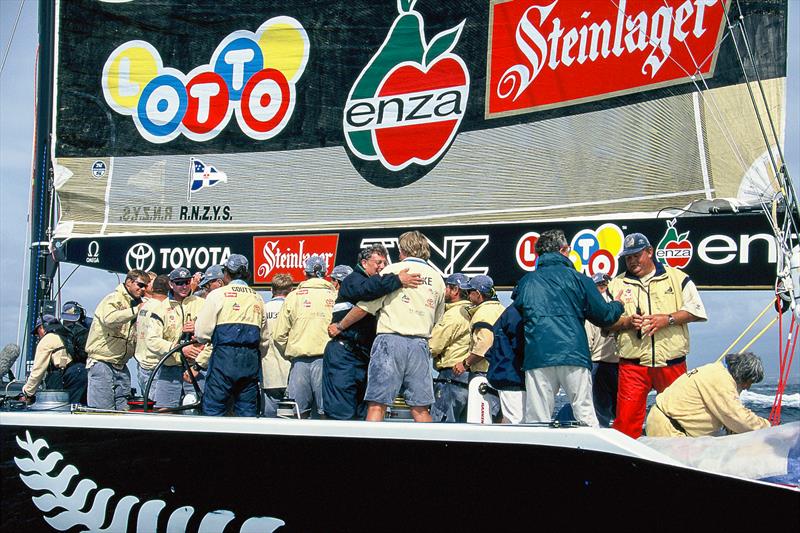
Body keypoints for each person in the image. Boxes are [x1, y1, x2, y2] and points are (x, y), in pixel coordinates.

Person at [514, 229, 623, 427]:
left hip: (538, 355)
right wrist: (618, 304)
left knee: (537, 420)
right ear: (564, 250)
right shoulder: (579, 279)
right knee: (585, 414)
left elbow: (519, 307)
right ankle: (591, 456)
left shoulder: (526, 282)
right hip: (573, 353)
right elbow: (604, 316)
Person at [337, 230, 445, 422]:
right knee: (420, 408)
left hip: (390, 341)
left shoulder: (392, 271)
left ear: (402, 250)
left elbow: (365, 308)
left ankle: (370, 448)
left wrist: (340, 325)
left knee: (377, 404)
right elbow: (438, 317)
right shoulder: (437, 278)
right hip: (420, 344)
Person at [608, 232, 708, 438]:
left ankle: (681, 461)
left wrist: (667, 319)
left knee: (681, 418)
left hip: (672, 363)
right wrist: (626, 322)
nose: (633, 261)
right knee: (625, 424)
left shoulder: (678, 278)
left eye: (637, 255)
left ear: (650, 252)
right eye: (628, 258)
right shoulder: (615, 284)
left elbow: (696, 311)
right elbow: (605, 323)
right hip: (632, 365)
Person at [324, 246, 422, 420]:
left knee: (363, 411)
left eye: (385, 262)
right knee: (341, 412)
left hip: (364, 356)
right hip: (344, 355)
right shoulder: (353, 280)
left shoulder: (379, 287)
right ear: (364, 263)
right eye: (378, 262)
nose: (382, 266)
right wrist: (397, 279)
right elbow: (367, 290)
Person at [194, 254, 267, 416]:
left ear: (226, 274)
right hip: (249, 362)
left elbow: (201, 333)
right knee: (247, 413)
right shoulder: (258, 298)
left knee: (214, 410)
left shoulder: (217, 295)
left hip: (223, 360)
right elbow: (265, 341)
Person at [645, 352, 771, 437]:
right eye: (748, 382)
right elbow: (738, 418)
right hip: (670, 430)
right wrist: (768, 427)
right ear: (743, 375)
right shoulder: (721, 381)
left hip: (664, 422)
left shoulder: (716, 370)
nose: (747, 387)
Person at [273, 255, 336, 418]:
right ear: (325, 272)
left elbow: (279, 335)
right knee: (326, 415)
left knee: (296, 415)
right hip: (327, 362)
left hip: (299, 361)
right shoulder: (335, 296)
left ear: (305, 273)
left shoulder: (293, 297)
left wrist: (289, 355)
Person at [556, 272, 619, 427]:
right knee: (619, 409)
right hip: (619, 364)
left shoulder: (593, 310)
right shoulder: (618, 307)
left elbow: (588, 341)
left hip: (597, 364)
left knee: (597, 409)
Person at [85, 269, 149, 410]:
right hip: (102, 362)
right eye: (140, 285)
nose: (143, 289)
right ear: (128, 282)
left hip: (121, 364)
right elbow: (109, 319)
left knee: (123, 409)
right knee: (102, 411)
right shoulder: (113, 298)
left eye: (146, 286)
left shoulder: (139, 302)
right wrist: (136, 311)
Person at [150, 267, 205, 409]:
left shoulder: (202, 304)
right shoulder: (160, 309)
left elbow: (214, 332)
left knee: (200, 411)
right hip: (169, 367)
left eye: (187, 282)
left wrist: (198, 327)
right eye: (179, 283)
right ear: (171, 284)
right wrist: (179, 348)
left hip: (196, 368)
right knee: (163, 411)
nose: (184, 286)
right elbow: (152, 341)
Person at [453, 274, 504, 422]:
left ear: (478, 294)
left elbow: (484, 345)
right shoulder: (500, 308)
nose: (467, 295)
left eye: (469, 292)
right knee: (498, 417)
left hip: (484, 373)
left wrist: (465, 364)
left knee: (482, 419)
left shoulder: (482, 313)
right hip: (499, 371)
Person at [428, 273, 472, 423]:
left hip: (451, 377)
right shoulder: (472, 311)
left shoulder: (453, 315)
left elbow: (433, 345)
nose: (444, 291)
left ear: (455, 290)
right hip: (468, 375)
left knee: (442, 425)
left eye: (446, 287)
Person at [20, 315, 86, 405]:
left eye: (37, 332)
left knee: (62, 409)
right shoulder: (65, 334)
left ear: (41, 328)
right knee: (78, 409)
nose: (37, 336)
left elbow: (38, 371)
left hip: (69, 376)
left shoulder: (47, 340)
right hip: (81, 372)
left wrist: (27, 392)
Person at [485, 287, 526, 424]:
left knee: (512, 419)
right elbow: (520, 345)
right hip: (513, 376)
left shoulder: (510, 312)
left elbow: (491, 350)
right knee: (518, 421)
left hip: (505, 373)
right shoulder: (518, 313)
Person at [260, 273, 294, 417]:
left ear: (271, 290)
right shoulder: (292, 309)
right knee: (291, 418)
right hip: (291, 369)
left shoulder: (263, 309)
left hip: (268, 370)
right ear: (291, 290)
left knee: (270, 420)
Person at [133, 274, 170, 401]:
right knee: (161, 409)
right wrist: (175, 347)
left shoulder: (144, 306)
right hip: (156, 365)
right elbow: (152, 340)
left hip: (142, 364)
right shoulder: (162, 308)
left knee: (150, 406)